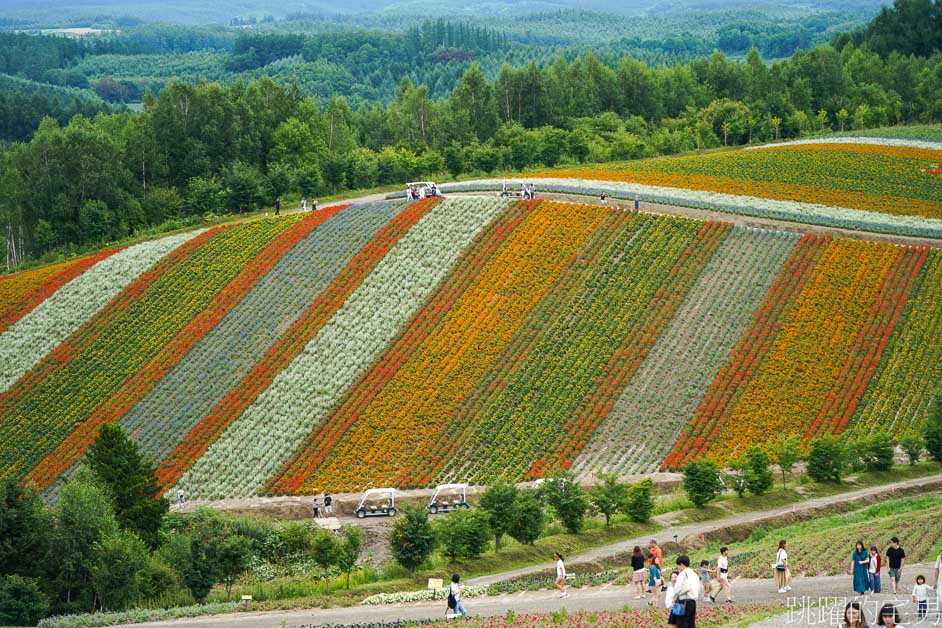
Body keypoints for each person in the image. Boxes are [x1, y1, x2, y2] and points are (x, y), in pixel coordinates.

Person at [672, 555, 700, 628]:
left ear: (681, 564)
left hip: (681, 602)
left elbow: (677, 590)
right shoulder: (694, 574)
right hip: (692, 602)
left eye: (678, 565)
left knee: (681, 623)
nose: (677, 567)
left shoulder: (682, 574)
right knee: (691, 623)